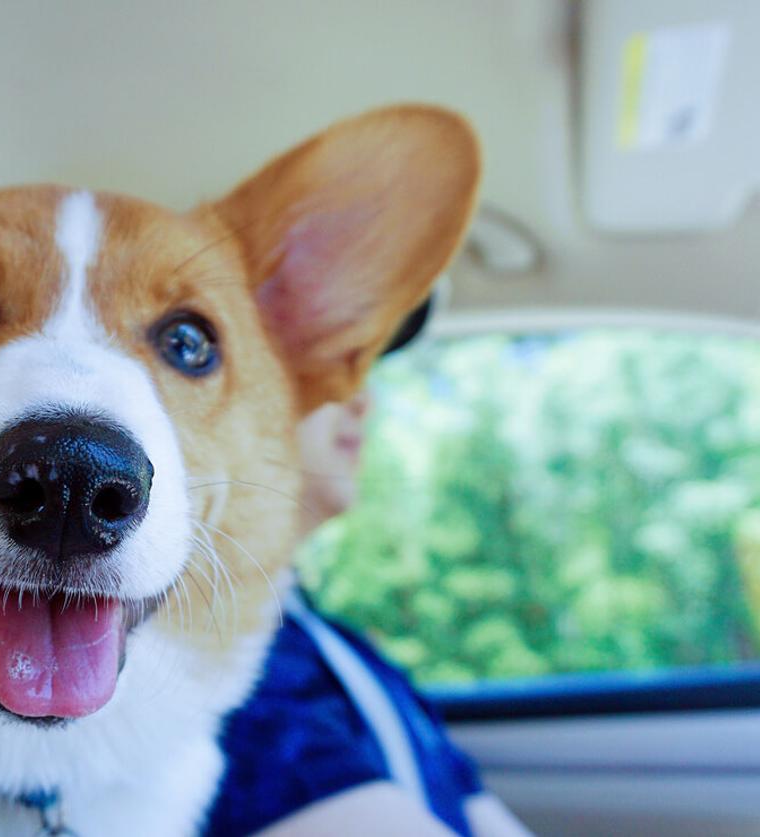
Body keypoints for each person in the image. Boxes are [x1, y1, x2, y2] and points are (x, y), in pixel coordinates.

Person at [205, 300, 531, 836]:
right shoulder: (209, 659)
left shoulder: (343, 648)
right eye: (320, 363)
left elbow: (469, 802)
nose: (360, 399)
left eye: (359, 366)